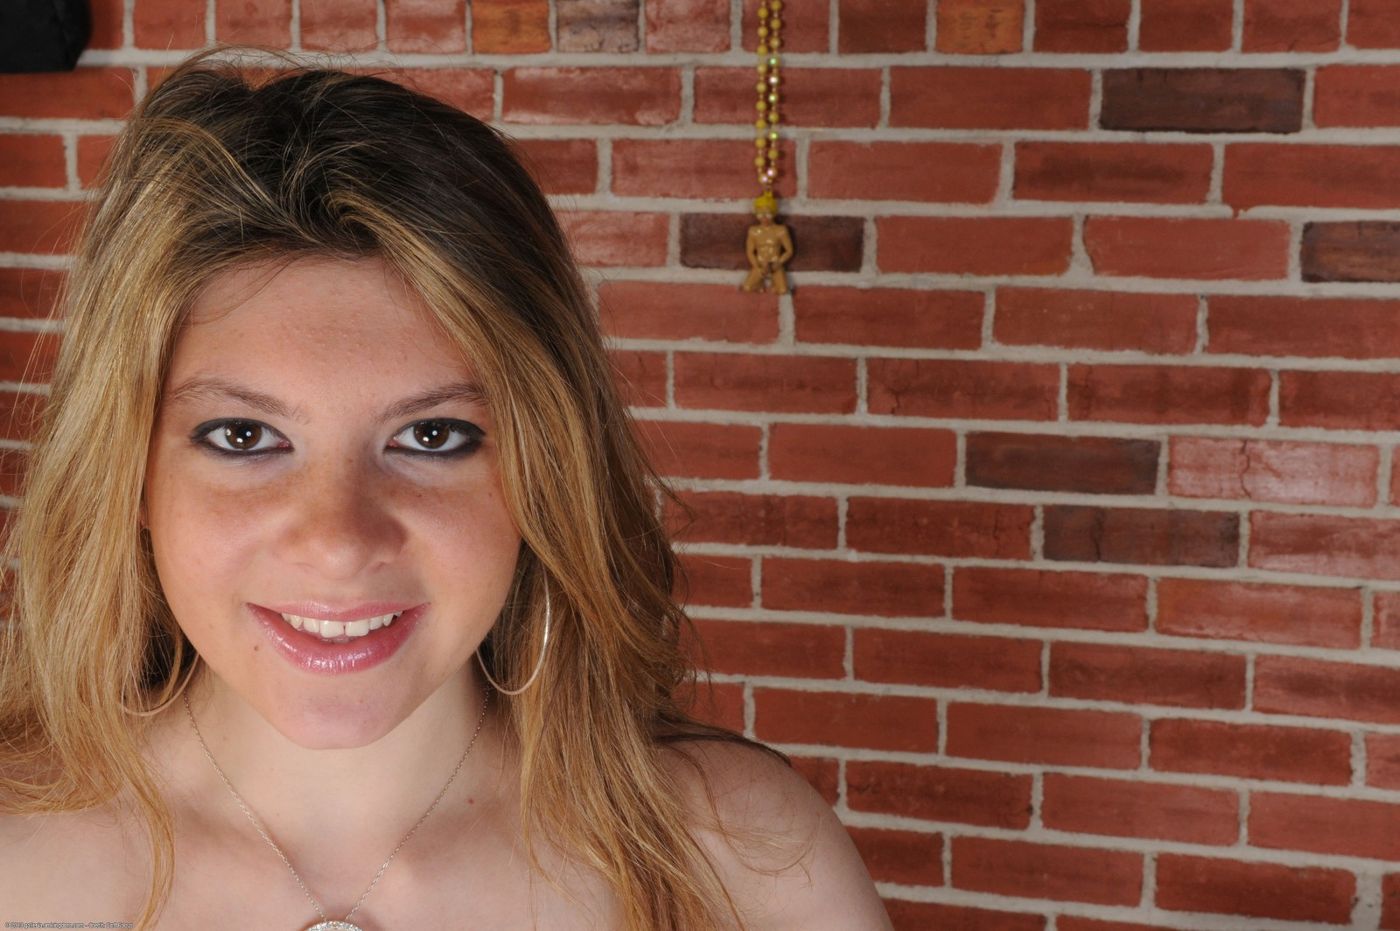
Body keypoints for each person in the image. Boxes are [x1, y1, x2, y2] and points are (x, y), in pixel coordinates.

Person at [0, 48, 892, 931]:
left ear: (546, 470)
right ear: (131, 474)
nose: (339, 541)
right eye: (244, 436)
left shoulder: (747, 862)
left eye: (432, 435)